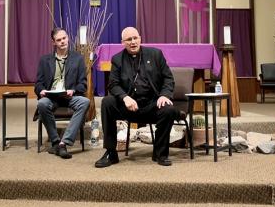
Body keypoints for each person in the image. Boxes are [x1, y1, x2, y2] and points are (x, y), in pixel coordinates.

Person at [95, 27, 178, 168]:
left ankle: (160, 153)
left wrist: (164, 95)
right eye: (129, 39)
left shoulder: (155, 54)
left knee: (168, 109)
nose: (133, 42)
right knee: (107, 102)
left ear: (140, 38)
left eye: (135, 38)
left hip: (152, 104)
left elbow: (168, 79)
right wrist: (125, 97)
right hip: (129, 106)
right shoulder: (117, 59)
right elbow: (113, 84)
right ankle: (111, 152)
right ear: (123, 42)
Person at [35, 28, 89, 159]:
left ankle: (64, 142)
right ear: (53, 42)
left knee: (85, 102)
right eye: (58, 40)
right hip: (51, 97)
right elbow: (38, 83)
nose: (62, 42)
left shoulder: (78, 58)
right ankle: (55, 141)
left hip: (69, 96)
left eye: (64, 38)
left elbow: (83, 84)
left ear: (67, 38)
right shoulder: (45, 60)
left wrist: (74, 90)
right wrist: (41, 90)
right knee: (42, 104)